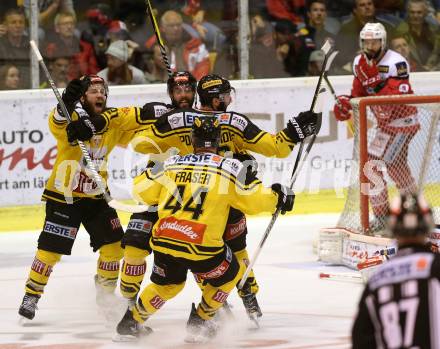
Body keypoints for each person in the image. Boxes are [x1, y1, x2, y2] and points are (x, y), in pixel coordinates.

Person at [126, 74, 318, 324]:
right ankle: (244, 295)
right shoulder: (234, 122)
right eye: (225, 95)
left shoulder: (176, 120)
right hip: (223, 194)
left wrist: (169, 146)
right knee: (234, 252)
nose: (228, 99)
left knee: (157, 251)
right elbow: (275, 148)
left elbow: (140, 144)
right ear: (216, 100)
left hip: (178, 199)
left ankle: (133, 307)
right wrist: (293, 132)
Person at [114, 115, 295, 343]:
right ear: (218, 140)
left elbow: (141, 192)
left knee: (168, 285)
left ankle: (130, 323)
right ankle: (200, 321)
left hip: (164, 240)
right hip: (202, 246)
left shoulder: (171, 162)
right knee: (233, 273)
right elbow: (254, 201)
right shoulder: (230, 167)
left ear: (192, 140)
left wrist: (152, 169)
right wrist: (278, 195)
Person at [17, 75, 153, 321]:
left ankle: (104, 296)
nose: (99, 95)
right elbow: (57, 120)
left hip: (97, 196)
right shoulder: (72, 118)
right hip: (64, 196)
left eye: (103, 91)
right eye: (93, 91)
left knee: (113, 248)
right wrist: (67, 103)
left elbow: (138, 136)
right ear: (82, 97)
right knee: (50, 251)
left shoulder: (109, 122)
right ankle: (32, 294)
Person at [333, 23, 419, 233]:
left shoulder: (396, 62)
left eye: (375, 41)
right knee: (383, 167)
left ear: (383, 41)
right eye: (367, 41)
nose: (370, 45)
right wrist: (347, 104)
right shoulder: (359, 63)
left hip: (403, 122)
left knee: (383, 166)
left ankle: (401, 214)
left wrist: (363, 99)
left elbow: (393, 98)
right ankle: (396, 214)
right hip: (385, 126)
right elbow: (358, 93)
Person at [351, 192, 438, 349]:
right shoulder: (436, 267)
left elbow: (361, 339)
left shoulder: (376, 281)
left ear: (392, 226)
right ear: (428, 224)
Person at [145, 10, 210, 80]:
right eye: (171, 25)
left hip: (189, 86)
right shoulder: (152, 46)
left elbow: (203, 68)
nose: (176, 28)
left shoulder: (195, 45)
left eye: (178, 25)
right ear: (163, 28)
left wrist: (193, 85)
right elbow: (146, 71)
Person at [44, 11, 99, 80]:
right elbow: (48, 73)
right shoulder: (51, 48)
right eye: (65, 24)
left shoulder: (86, 47)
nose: (69, 27)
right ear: (57, 28)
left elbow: (94, 71)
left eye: (72, 23)